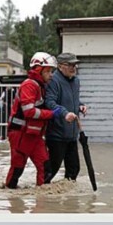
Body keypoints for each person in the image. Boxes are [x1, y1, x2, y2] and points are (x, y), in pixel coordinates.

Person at [4, 52, 78, 189]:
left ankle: (42, 201)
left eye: (52, 71)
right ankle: (12, 199)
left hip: (34, 135)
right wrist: (51, 114)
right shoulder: (29, 85)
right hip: (21, 134)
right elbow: (29, 111)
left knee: (46, 168)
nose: (51, 74)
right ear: (39, 70)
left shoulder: (41, 85)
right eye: (49, 71)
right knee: (17, 168)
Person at [44, 52, 89, 183]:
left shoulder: (76, 81)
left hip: (72, 134)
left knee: (74, 169)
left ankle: (68, 200)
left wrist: (81, 106)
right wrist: (65, 113)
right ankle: (41, 196)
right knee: (51, 170)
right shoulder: (54, 81)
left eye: (75, 65)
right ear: (59, 66)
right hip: (57, 135)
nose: (73, 68)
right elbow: (50, 103)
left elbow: (73, 100)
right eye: (69, 65)